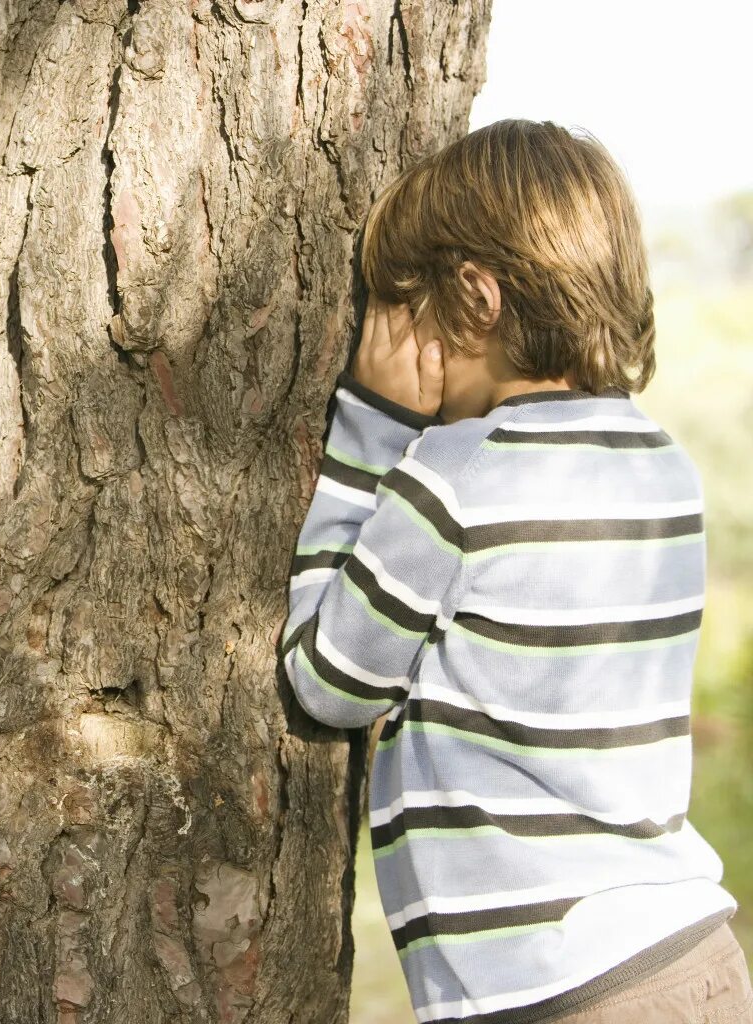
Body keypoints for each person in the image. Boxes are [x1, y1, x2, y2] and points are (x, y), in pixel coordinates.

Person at [280, 119, 750, 1023]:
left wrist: (372, 429)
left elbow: (327, 683)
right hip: (694, 955)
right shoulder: (664, 466)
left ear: (475, 299)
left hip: (553, 990)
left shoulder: (455, 475)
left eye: (400, 312)